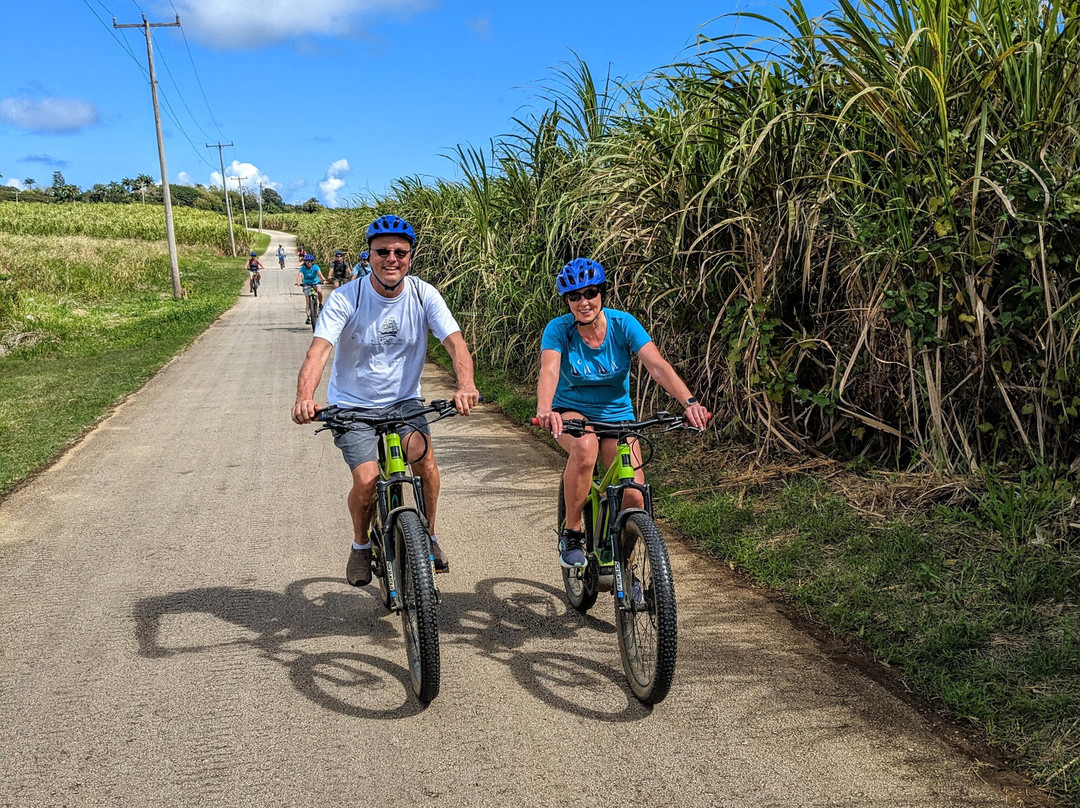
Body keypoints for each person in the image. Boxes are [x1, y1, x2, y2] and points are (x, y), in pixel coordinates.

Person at [291, 214, 480, 587]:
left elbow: (455, 343)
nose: (391, 259)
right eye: (382, 252)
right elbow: (319, 351)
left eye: (400, 252)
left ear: (410, 256)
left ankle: (428, 534)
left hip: (404, 402)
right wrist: (304, 397)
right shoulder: (347, 297)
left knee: (425, 463)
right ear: (369, 255)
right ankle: (360, 545)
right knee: (367, 481)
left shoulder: (424, 294)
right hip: (352, 408)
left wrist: (466, 385)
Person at [533, 258, 711, 568]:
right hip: (570, 412)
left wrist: (690, 402)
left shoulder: (623, 324)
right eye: (574, 296)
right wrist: (545, 409)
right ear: (567, 301)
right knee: (585, 447)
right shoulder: (559, 329)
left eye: (590, 293)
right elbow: (549, 369)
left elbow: (657, 366)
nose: (583, 302)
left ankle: (625, 569)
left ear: (602, 292)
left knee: (634, 497)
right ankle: (572, 532)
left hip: (617, 416)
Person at [295, 254, 327, 324]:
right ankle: (308, 318)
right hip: (306, 283)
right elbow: (300, 275)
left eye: (311, 261)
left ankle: (320, 303)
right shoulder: (303, 268)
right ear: (305, 262)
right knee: (308, 302)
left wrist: (324, 280)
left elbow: (320, 274)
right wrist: (298, 282)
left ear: (313, 262)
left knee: (319, 291)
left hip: (316, 282)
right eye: (307, 261)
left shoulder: (315, 267)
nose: (309, 263)